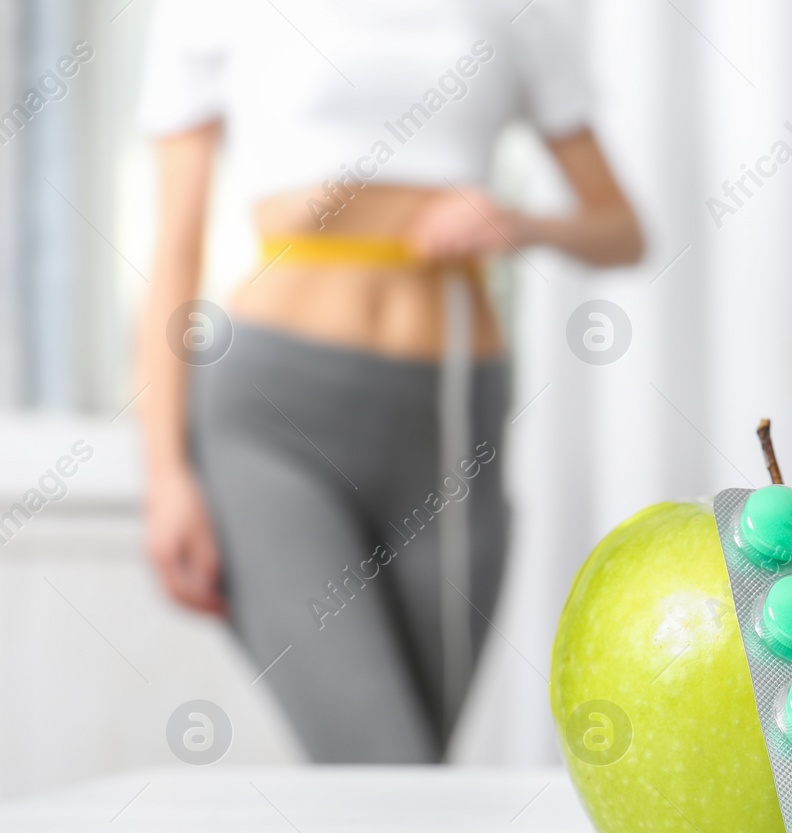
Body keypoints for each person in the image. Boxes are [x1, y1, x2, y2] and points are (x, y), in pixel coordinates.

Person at [136, 1, 642, 761]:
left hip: (452, 420)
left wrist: (523, 224)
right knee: (381, 760)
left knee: (417, 773)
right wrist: (165, 473)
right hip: (275, 420)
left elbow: (623, 231)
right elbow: (174, 247)